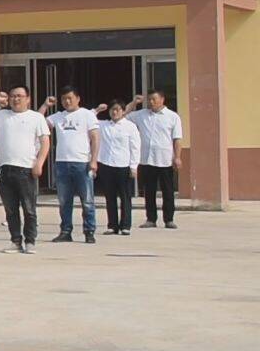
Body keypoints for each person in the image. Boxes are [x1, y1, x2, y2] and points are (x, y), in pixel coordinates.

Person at [0, 84, 50, 254]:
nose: (16, 99)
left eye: (19, 96)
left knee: (29, 209)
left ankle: (30, 241)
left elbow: (45, 142)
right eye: (13, 96)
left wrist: (39, 163)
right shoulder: (1, 115)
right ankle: (15, 241)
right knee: (10, 210)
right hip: (4, 168)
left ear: (28, 99)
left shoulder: (36, 117)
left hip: (26, 169)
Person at [48, 86, 101, 244]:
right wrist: (45, 105)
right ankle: (65, 231)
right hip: (62, 163)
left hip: (82, 163)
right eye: (64, 99)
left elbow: (95, 138)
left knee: (87, 200)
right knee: (64, 201)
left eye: (70, 98)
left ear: (78, 99)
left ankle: (89, 231)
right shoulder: (58, 116)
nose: (67, 101)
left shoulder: (87, 115)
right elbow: (39, 122)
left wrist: (94, 160)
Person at [127, 91, 183, 229]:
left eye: (154, 99)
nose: (151, 102)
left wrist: (177, 157)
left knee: (167, 191)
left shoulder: (172, 117)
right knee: (149, 191)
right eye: (149, 99)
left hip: (165, 160)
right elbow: (123, 115)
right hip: (146, 160)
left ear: (162, 99)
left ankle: (169, 219)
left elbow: (177, 139)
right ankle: (151, 219)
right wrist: (134, 103)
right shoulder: (141, 115)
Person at [96, 100, 143, 236]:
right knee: (110, 197)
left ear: (123, 111)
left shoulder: (130, 126)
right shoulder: (104, 125)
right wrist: (97, 110)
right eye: (112, 109)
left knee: (125, 197)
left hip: (124, 166)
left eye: (117, 109)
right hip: (106, 165)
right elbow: (88, 119)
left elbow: (135, 147)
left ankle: (125, 225)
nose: (114, 112)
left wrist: (134, 166)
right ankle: (112, 225)